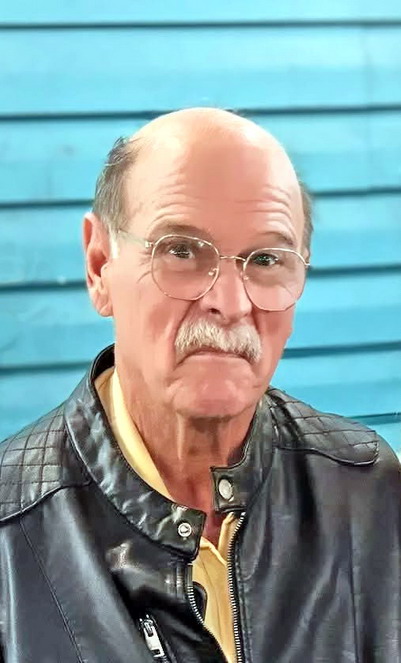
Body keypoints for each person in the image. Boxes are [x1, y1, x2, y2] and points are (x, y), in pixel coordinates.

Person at [0, 108, 400, 663]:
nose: (230, 303)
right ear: (99, 265)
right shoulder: (11, 535)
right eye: (181, 251)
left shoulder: (367, 491)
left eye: (266, 259)